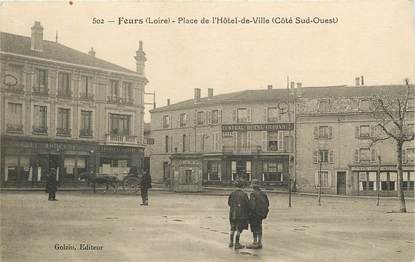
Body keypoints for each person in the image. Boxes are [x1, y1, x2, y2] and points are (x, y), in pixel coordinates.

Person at [228, 179, 250, 249]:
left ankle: (231, 242)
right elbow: (247, 204)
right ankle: (237, 243)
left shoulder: (232, 193)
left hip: (232, 213)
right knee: (239, 229)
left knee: (232, 228)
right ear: (242, 186)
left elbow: (229, 203)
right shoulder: (244, 194)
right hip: (241, 214)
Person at [247, 179, 269, 249]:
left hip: (254, 214)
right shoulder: (263, 193)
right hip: (261, 214)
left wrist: (249, 213)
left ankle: (255, 242)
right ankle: (260, 242)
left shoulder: (253, 194)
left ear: (253, 186)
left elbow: (252, 206)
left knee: (254, 228)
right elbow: (267, 204)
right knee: (259, 227)